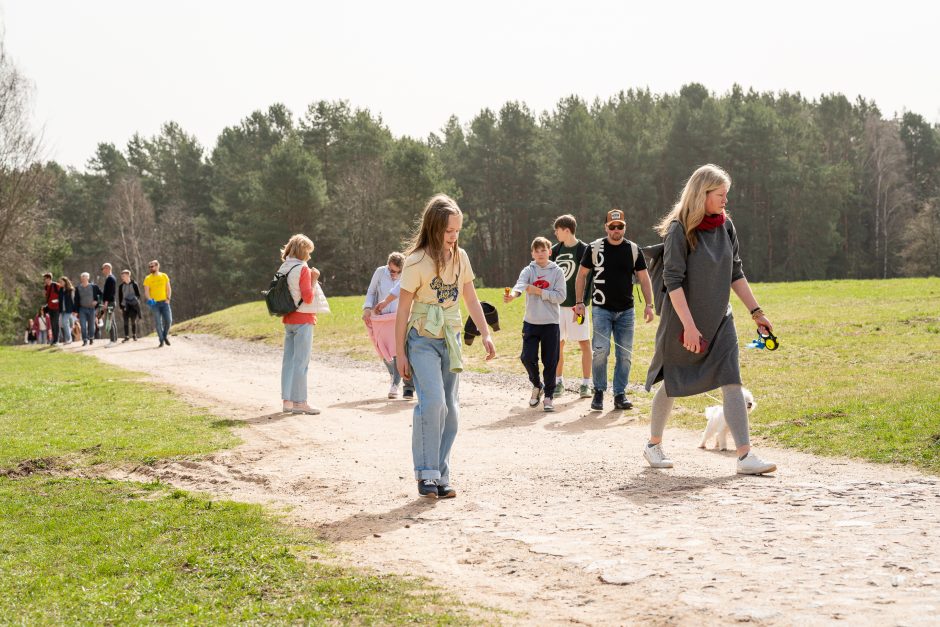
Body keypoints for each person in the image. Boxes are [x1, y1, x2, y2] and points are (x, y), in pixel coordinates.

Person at [643, 164, 776, 475]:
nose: (725, 200)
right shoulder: (679, 230)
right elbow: (673, 282)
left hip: (720, 320)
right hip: (683, 323)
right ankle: (653, 444)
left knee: (732, 379)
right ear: (702, 194)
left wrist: (757, 312)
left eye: (726, 195)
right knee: (674, 382)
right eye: (720, 195)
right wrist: (689, 326)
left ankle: (744, 456)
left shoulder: (726, 227)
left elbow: (736, 272)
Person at [395, 194, 496, 499]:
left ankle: (441, 475)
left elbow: (470, 296)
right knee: (433, 402)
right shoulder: (415, 262)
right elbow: (402, 311)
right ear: (434, 228)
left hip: (450, 338)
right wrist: (400, 353)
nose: (454, 237)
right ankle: (425, 474)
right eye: (449, 231)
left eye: (457, 231)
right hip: (422, 338)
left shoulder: (460, 257)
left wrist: (486, 332)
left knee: (451, 409)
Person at [574, 209, 654, 411]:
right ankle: (599, 392)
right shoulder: (594, 248)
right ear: (606, 227)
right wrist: (579, 302)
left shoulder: (633, 249)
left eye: (620, 227)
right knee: (601, 351)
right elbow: (581, 275)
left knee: (624, 355)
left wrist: (649, 305)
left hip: (626, 310)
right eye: (612, 227)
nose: (616, 230)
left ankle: (620, 394)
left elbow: (644, 278)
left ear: (624, 227)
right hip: (601, 308)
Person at [504, 236, 566, 411]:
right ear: (532, 253)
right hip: (531, 322)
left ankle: (549, 397)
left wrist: (539, 291)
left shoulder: (557, 272)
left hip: (551, 323)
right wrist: (513, 296)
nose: (540, 254)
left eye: (543, 250)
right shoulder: (528, 270)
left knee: (550, 361)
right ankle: (537, 385)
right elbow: (520, 285)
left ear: (550, 252)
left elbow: (561, 297)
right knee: (527, 357)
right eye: (536, 251)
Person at [550, 214, 593, 398]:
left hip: (577, 307)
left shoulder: (584, 250)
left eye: (557, 230)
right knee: (557, 345)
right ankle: (558, 382)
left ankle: (586, 384)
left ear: (566, 230)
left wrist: (581, 303)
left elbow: (588, 278)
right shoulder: (554, 251)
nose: (555, 233)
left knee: (584, 343)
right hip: (557, 308)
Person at [277, 234, 321, 415]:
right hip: (303, 319)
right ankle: (300, 402)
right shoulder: (302, 269)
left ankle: (287, 401)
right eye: (308, 252)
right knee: (301, 363)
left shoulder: (283, 267)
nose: (309, 257)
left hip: (288, 319)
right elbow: (308, 297)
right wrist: (314, 278)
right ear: (303, 251)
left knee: (288, 361)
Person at [363, 252, 416, 400]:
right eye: (392, 271)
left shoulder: (407, 274)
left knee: (399, 351)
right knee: (383, 351)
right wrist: (367, 308)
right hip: (381, 318)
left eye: (399, 272)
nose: (395, 275)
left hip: (399, 318)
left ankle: (402, 385)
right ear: (388, 266)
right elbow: (371, 291)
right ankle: (394, 374)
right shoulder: (380, 272)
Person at [143, 260, 173, 347]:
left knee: (169, 321)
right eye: (149, 267)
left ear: (157, 266)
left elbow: (168, 288)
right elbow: (146, 292)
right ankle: (161, 341)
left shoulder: (164, 276)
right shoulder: (147, 278)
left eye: (152, 266)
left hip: (165, 302)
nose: (150, 268)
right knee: (158, 323)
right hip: (155, 304)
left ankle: (164, 336)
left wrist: (168, 298)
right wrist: (150, 300)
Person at [73, 272, 102, 346]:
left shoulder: (94, 287)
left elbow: (101, 294)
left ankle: (91, 338)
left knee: (92, 325)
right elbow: (76, 300)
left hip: (92, 309)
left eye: (85, 277)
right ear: (81, 278)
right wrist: (75, 311)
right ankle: (85, 340)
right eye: (82, 277)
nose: (83, 278)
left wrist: (97, 301)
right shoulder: (78, 288)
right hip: (82, 309)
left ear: (88, 278)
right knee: (83, 325)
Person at [118, 269, 141, 342]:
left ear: (128, 276)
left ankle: (134, 335)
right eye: (122, 276)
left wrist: (134, 300)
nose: (122, 277)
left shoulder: (134, 284)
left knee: (133, 321)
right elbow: (120, 297)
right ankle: (126, 336)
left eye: (124, 276)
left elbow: (138, 295)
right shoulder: (121, 286)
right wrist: (121, 307)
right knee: (125, 321)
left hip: (133, 305)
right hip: (125, 305)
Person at [100, 263, 118, 346]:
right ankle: (115, 339)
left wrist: (106, 303)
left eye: (103, 269)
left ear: (107, 268)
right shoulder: (110, 278)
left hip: (110, 303)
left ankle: (112, 340)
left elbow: (110, 293)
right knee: (112, 321)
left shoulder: (110, 279)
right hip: (110, 302)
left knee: (109, 322)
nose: (102, 270)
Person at [42, 273, 61, 345]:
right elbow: (47, 297)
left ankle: (57, 340)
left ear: (49, 278)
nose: (44, 280)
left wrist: (58, 300)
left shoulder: (57, 285)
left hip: (57, 307)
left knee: (55, 323)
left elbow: (62, 295)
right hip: (50, 307)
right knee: (52, 324)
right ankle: (54, 340)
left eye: (45, 279)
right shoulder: (46, 287)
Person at [58, 276, 76, 344]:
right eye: (59, 282)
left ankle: (69, 339)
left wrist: (75, 310)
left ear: (65, 282)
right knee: (64, 324)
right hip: (62, 310)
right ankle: (68, 339)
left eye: (61, 282)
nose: (60, 283)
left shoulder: (70, 290)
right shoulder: (60, 290)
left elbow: (73, 300)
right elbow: (60, 300)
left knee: (65, 322)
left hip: (69, 309)